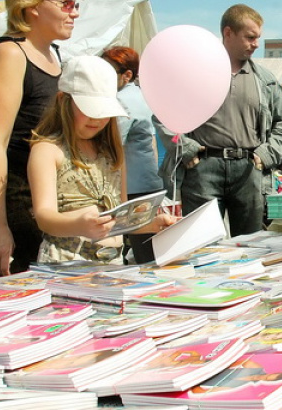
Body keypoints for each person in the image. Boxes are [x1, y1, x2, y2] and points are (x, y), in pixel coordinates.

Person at [0, 0, 80, 278]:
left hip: (36, 198)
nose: (74, 13)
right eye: (66, 3)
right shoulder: (11, 54)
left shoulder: (54, 55)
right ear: (32, 4)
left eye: (76, 4)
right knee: (12, 302)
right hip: (9, 199)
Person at [157, 3, 282, 237]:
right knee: (200, 243)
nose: (256, 44)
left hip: (249, 170)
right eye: (250, 37)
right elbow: (163, 115)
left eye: (258, 38)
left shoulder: (266, 81)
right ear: (228, 33)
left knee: (250, 245)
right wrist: (185, 148)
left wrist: (267, 154)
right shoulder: (193, 74)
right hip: (203, 170)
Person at [27, 56, 176, 264]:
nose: (96, 119)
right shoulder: (48, 150)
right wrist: (78, 225)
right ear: (63, 101)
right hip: (66, 261)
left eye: (104, 112)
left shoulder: (112, 153)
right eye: (88, 109)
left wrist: (151, 224)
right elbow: (44, 216)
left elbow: (119, 218)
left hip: (112, 263)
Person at [101, 46, 167, 264]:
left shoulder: (122, 100)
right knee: (151, 251)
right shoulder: (144, 95)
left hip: (133, 187)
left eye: (108, 71)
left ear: (126, 75)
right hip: (150, 181)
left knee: (143, 253)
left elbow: (112, 146)